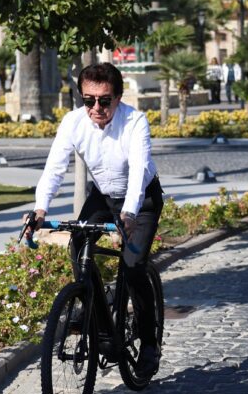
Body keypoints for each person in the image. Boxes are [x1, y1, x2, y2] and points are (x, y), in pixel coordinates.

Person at [24, 63, 164, 375]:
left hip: (141, 199)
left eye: (104, 100)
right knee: (78, 247)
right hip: (102, 195)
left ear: (118, 97)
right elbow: (54, 168)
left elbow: (140, 170)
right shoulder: (73, 122)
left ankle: (150, 343)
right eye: (89, 100)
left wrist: (128, 213)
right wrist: (40, 209)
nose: (96, 108)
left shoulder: (135, 121)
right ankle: (101, 328)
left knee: (133, 265)